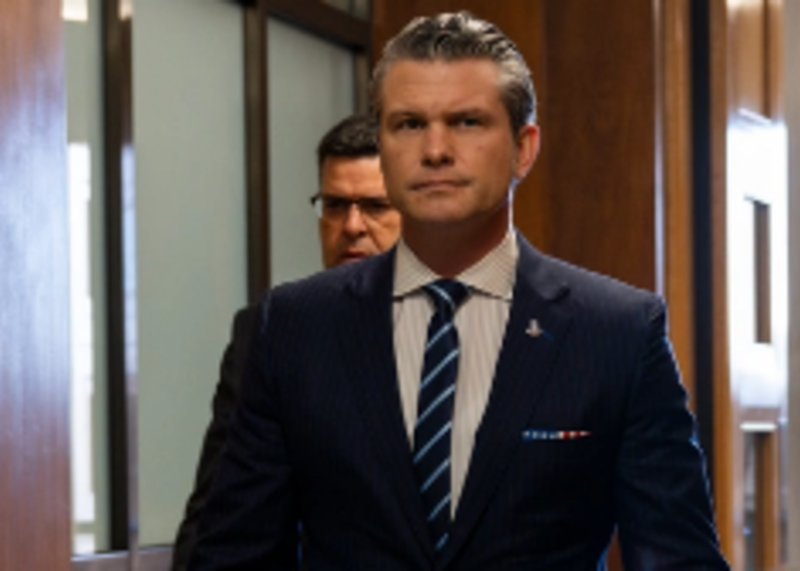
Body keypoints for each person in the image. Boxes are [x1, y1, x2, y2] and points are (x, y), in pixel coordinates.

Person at [189, 12, 730, 570]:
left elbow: (679, 560)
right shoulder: (294, 327)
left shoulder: (617, 331)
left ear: (523, 148)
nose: (435, 150)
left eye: (467, 122)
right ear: (383, 146)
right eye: (408, 124)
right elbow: (233, 556)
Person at [171, 114, 400, 571]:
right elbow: (218, 509)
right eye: (334, 205)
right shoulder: (271, 329)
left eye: (375, 206)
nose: (352, 226)